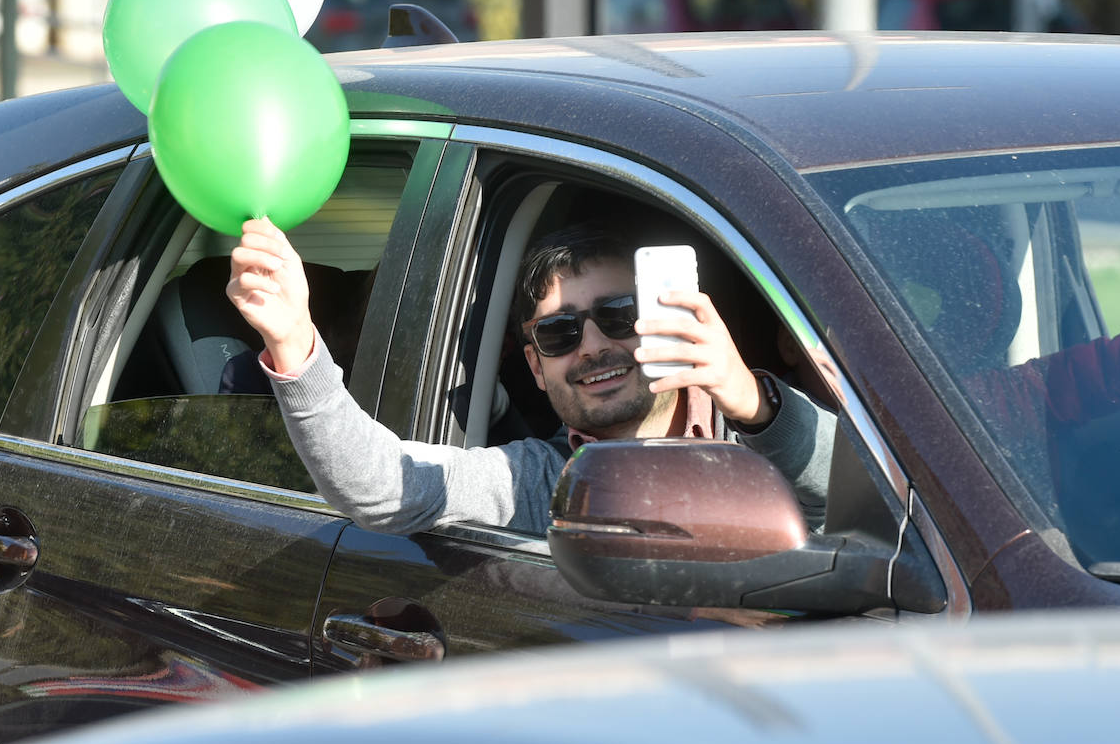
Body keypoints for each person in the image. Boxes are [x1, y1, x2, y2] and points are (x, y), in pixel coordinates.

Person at [226, 217, 835, 535]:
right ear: (536, 369)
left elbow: (899, 498)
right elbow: (382, 486)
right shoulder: (541, 480)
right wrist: (294, 342)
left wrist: (756, 404)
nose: (594, 346)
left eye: (619, 316)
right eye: (559, 333)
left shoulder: (764, 429)